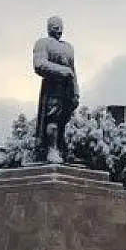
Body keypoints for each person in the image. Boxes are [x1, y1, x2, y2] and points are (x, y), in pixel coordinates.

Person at [32, 15, 79, 163]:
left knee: (64, 121)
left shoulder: (68, 47)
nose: (58, 30)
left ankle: (61, 149)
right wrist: (62, 71)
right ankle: (51, 150)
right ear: (49, 28)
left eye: (60, 27)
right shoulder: (43, 43)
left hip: (67, 90)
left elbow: (73, 71)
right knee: (52, 119)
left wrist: (76, 93)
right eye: (55, 26)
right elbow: (39, 65)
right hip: (52, 87)